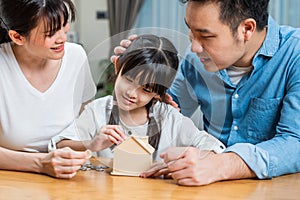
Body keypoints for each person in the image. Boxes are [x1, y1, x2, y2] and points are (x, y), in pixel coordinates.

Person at [112, 0, 300, 186]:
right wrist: (135, 78)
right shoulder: (196, 59)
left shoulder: (294, 54)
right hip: (203, 189)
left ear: (247, 29)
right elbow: (165, 114)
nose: (194, 47)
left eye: (205, 36)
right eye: (191, 32)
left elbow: (295, 142)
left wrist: (222, 164)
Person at [49, 34, 225, 165]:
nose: (132, 93)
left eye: (146, 90)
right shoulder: (98, 111)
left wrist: (186, 155)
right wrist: (92, 143)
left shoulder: (168, 117)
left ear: (158, 93)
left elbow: (213, 146)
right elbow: (58, 145)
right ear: (118, 66)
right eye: (129, 80)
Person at [0, 0, 96, 178]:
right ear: (17, 37)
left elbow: (82, 124)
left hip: (69, 176)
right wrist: (40, 163)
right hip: (10, 180)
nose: (62, 38)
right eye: (51, 33)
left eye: (63, 26)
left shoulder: (76, 56)